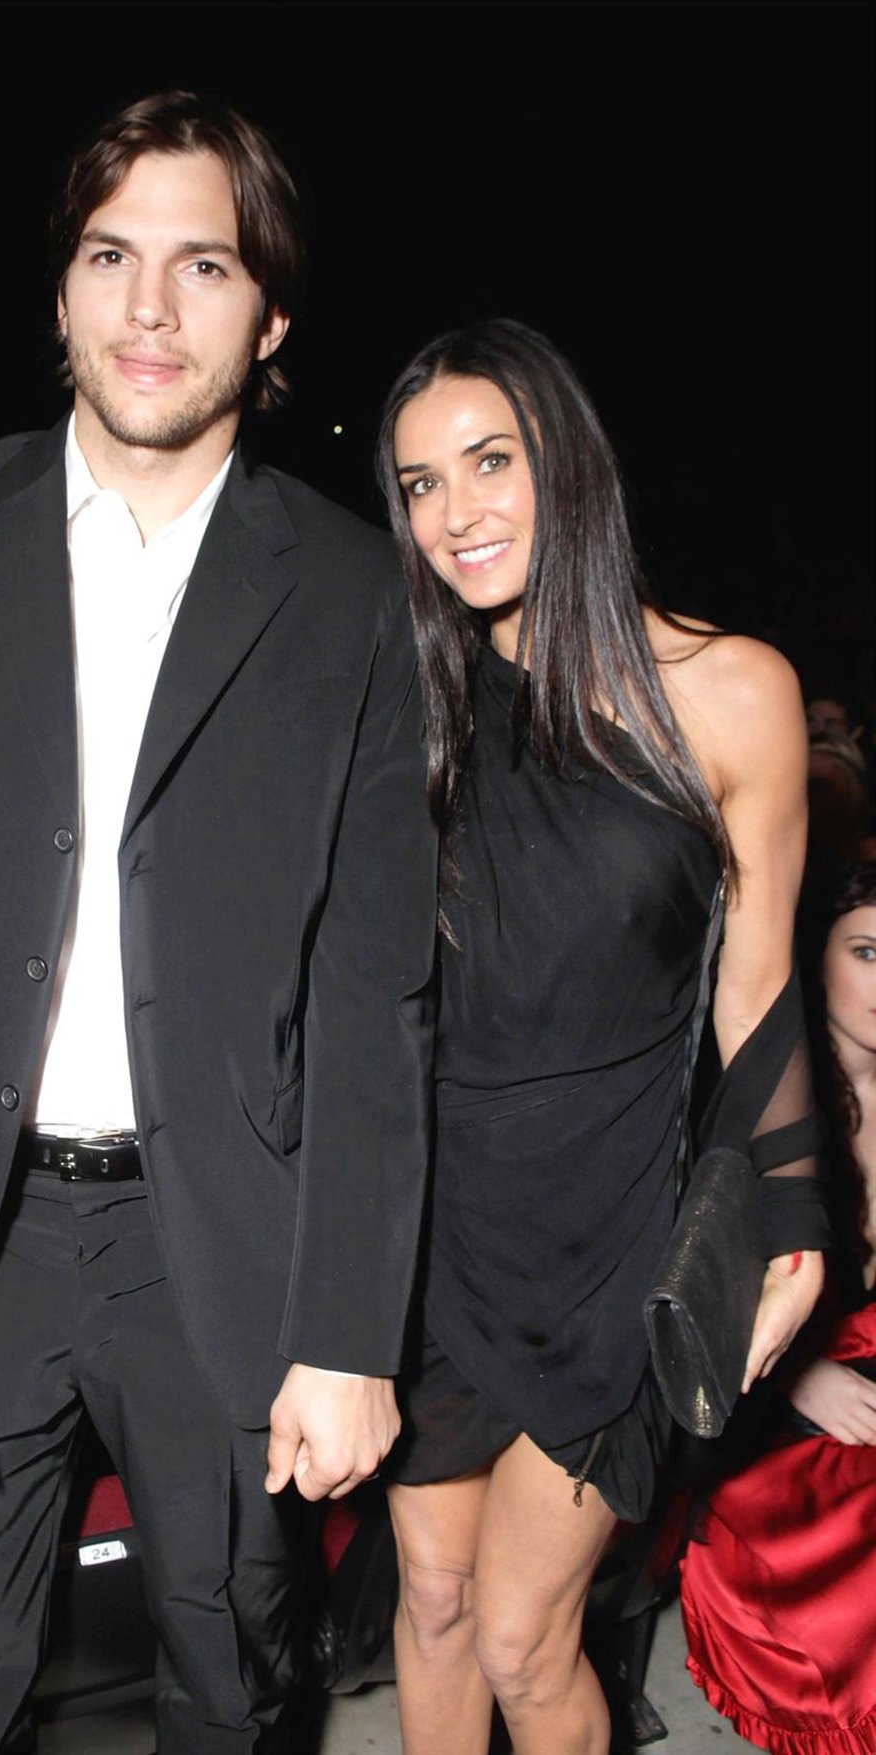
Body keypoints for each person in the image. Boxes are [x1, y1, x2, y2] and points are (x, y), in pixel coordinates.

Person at [0, 92, 436, 1755]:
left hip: (226, 1252)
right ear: (59, 288)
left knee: (236, 1686)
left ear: (269, 319)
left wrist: (348, 1329)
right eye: (110, 256)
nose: (148, 306)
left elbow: (374, 995)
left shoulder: (358, 593)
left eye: (203, 266)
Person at [374, 319, 830, 1755]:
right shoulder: (412, 702)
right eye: (420, 483)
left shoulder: (731, 691)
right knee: (434, 1600)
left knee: (523, 1632)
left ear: (565, 460)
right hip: (433, 1229)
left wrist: (794, 1212)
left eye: (490, 460)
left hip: (609, 1231)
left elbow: (757, 991)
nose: (457, 511)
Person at [681, 858, 876, 1754]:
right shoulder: (761, 1102)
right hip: (765, 1383)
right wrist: (804, 1378)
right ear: (812, 953)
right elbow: (697, 1299)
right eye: (867, 952)